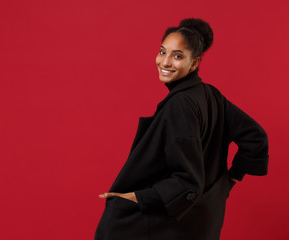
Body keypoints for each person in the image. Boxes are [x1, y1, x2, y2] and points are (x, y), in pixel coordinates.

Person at [94, 18, 269, 240]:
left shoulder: (180, 105)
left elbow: (187, 181)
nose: (165, 62)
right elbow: (256, 137)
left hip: (175, 226)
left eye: (177, 56)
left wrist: (138, 198)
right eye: (162, 52)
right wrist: (227, 182)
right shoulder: (210, 94)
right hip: (202, 221)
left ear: (194, 63)